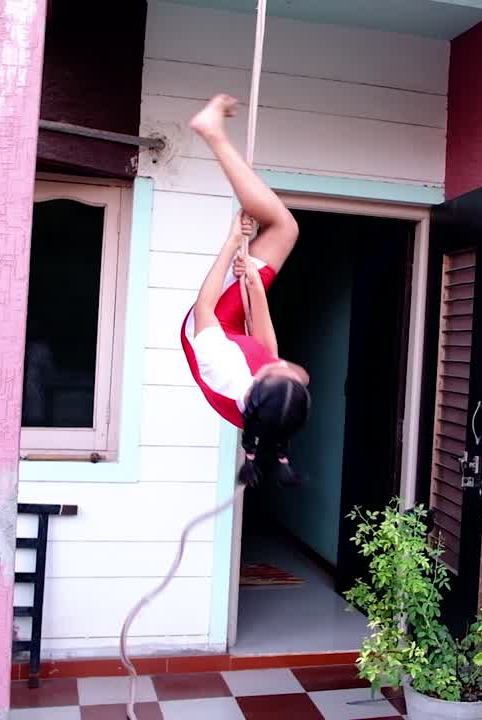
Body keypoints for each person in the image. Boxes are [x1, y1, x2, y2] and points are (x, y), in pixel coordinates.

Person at [181, 94, 311, 487]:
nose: (287, 368)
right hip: (238, 335)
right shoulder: (275, 403)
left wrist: (232, 241)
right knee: (284, 231)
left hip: (212, 324)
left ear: (255, 385)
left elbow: (204, 307)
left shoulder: (225, 372)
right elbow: (266, 350)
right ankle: (213, 132)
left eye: (278, 372)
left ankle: (213, 132)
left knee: (283, 229)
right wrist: (255, 287)